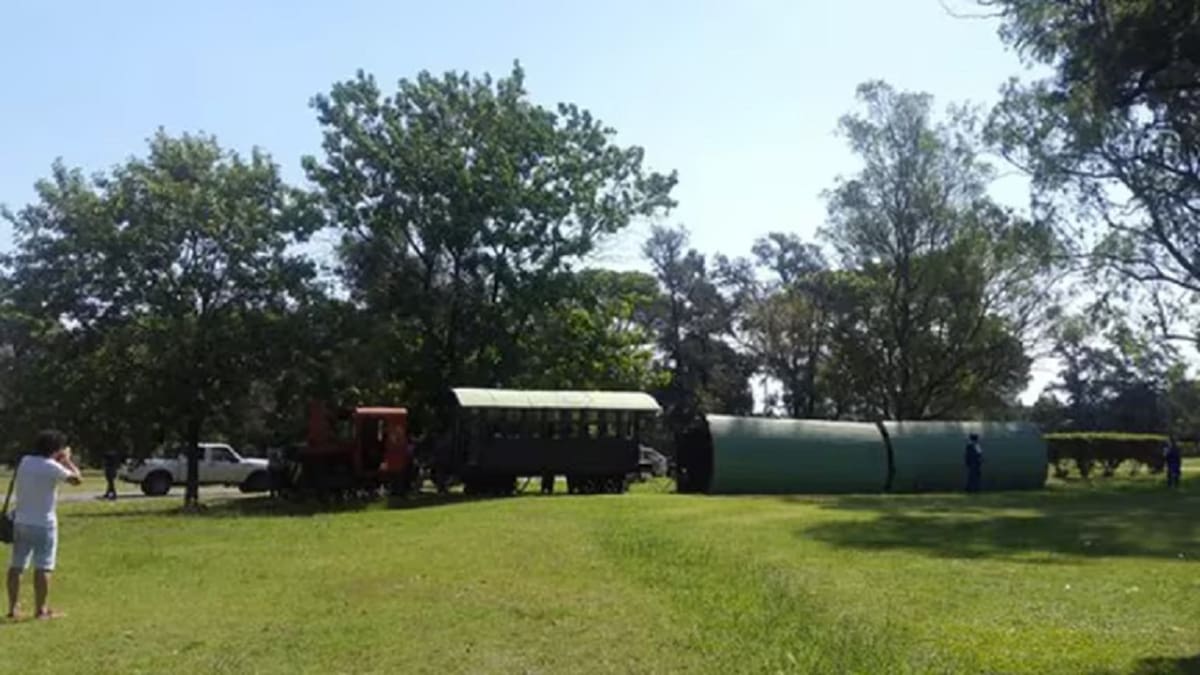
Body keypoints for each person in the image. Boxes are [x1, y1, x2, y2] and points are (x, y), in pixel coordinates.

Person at [7, 430, 82, 620]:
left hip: (21, 520)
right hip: (44, 522)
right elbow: (77, 480)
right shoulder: (52, 467)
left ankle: (13, 608)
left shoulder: (25, 461)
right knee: (44, 566)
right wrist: (67, 461)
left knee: (17, 565)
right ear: (56, 449)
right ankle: (41, 610)